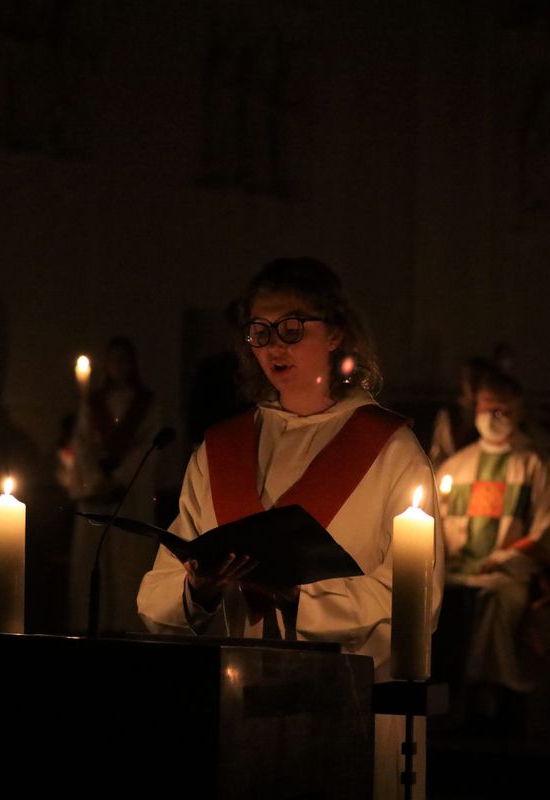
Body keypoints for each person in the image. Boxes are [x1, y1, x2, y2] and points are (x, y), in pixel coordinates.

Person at [137, 258, 444, 800]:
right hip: (235, 708)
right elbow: (161, 588)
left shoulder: (389, 449)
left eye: (292, 328)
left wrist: (302, 604)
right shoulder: (221, 450)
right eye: (259, 331)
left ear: (337, 332)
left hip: (353, 705)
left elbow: (413, 595)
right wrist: (197, 591)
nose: (274, 346)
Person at [435, 371, 550, 727]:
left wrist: (505, 558)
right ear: (476, 408)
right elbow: (431, 522)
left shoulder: (537, 465)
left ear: (519, 410)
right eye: (489, 406)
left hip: (510, 571)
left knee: (499, 598)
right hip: (453, 569)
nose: (495, 415)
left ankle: (491, 699)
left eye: (504, 408)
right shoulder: (456, 466)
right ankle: (439, 700)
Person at [68, 337, 161, 634]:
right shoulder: (93, 403)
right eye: (113, 359)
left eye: (124, 359)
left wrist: (120, 477)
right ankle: (93, 622)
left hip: (129, 493)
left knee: (128, 560)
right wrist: (98, 480)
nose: (119, 365)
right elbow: (82, 446)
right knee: (95, 560)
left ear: (132, 364)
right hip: (98, 492)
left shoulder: (147, 403)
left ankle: (128, 623)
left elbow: (149, 446)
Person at [428, 356, 492, 467]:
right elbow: (439, 453)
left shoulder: (491, 415)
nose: (473, 384)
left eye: (478, 379)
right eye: (469, 379)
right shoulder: (448, 415)